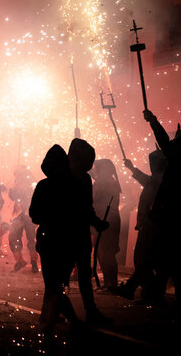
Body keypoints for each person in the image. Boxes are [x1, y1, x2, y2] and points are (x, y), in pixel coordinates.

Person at [29, 145, 81, 332]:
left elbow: (34, 214)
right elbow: (81, 213)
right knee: (59, 282)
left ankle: (52, 320)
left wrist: (48, 218)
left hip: (49, 240)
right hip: (68, 240)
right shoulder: (75, 184)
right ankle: (51, 316)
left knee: (52, 283)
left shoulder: (44, 185)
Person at [67, 138, 112, 325]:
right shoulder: (78, 178)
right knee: (77, 276)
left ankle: (63, 310)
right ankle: (66, 311)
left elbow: (86, 207)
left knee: (80, 275)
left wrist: (95, 222)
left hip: (72, 233)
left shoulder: (66, 176)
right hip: (72, 233)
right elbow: (85, 208)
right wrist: (96, 222)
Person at [115, 149, 166, 302]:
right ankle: (136, 290)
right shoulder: (157, 179)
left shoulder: (162, 180)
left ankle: (150, 294)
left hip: (153, 227)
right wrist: (131, 168)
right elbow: (145, 179)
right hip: (149, 226)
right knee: (146, 261)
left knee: (144, 261)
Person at [144, 110, 181, 315]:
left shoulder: (176, 159)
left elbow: (166, 145)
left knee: (169, 258)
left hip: (173, 215)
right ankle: (158, 296)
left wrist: (154, 122)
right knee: (166, 259)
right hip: (169, 214)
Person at [91, 159, 121, 291]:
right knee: (102, 252)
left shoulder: (104, 182)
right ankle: (109, 283)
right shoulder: (108, 181)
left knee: (106, 252)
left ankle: (111, 284)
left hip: (106, 218)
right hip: (106, 218)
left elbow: (93, 198)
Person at [8, 165, 38, 273]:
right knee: (14, 237)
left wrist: (16, 191)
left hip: (28, 214)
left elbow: (27, 195)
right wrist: (13, 190)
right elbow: (13, 196)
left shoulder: (31, 183)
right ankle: (20, 261)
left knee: (31, 239)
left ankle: (33, 262)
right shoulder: (19, 182)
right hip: (19, 214)